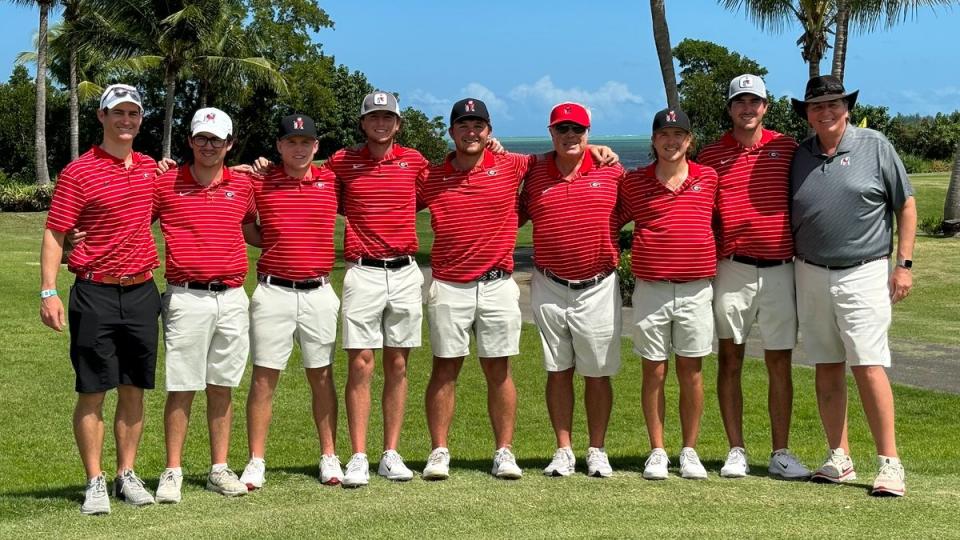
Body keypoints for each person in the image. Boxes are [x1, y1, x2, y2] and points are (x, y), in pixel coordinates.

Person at [418, 98, 618, 481]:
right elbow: (393, 203)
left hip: (496, 283)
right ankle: (439, 451)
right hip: (448, 284)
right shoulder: (432, 176)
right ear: (452, 132)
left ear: (489, 131)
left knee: (500, 369)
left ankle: (504, 452)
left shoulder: (513, 165)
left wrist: (592, 149)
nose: (471, 132)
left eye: (478, 125)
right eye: (463, 125)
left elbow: (563, 156)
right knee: (444, 368)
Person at [789, 75, 916, 497]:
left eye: (833, 105)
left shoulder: (874, 144)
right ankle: (839, 457)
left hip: (863, 270)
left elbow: (906, 203)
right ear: (807, 113)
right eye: (817, 106)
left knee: (867, 364)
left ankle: (889, 462)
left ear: (846, 107)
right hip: (809, 270)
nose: (826, 112)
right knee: (826, 365)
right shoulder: (800, 154)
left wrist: (904, 264)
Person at [40, 84, 160, 514]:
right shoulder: (79, 171)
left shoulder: (150, 169)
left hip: (143, 291)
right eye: (118, 113)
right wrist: (49, 290)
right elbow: (56, 233)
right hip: (94, 291)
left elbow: (199, 178)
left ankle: (125, 474)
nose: (126, 121)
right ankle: (94, 481)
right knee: (92, 390)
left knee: (134, 389)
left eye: (133, 113)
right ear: (102, 117)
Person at [696, 74, 810, 480]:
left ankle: (780, 452)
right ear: (729, 108)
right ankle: (736, 449)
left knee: (780, 361)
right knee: (731, 358)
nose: (748, 108)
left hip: (781, 269)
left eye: (755, 102)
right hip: (733, 269)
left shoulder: (788, 148)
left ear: (766, 107)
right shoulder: (711, 156)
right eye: (740, 101)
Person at [150, 108, 256, 502]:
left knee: (221, 386)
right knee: (181, 386)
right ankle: (173, 470)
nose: (208, 146)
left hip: (230, 298)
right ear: (190, 141)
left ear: (229, 144)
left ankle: (218, 468)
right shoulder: (166, 184)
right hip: (185, 297)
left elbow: (255, 230)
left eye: (216, 140)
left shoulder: (244, 187)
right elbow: (132, 221)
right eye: (201, 138)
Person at [324, 92, 429, 487]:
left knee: (398, 364)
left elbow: (447, 180)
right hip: (362, 272)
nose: (381, 124)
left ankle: (390, 452)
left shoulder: (415, 161)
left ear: (398, 124)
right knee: (360, 362)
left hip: (404, 272)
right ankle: (358, 455)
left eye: (388, 117)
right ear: (363, 123)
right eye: (373, 117)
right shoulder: (342, 162)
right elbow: (303, 171)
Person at [238, 115, 343, 490]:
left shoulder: (331, 179)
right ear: (279, 146)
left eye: (306, 142)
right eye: (291, 142)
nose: (299, 148)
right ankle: (256, 461)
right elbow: (248, 223)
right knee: (264, 376)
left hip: (319, 292)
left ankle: (329, 455)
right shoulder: (261, 180)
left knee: (322, 375)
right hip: (273, 292)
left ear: (316, 147)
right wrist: (252, 165)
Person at [519, 102, 624, 478]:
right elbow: (511, 212)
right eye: (562, 129)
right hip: (549, 283)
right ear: (551, 133)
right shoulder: (534, 174)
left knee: (597, 373)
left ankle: (596, 449)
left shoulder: (611, 171)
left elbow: (635, 210)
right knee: (558, 369)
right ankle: (563, 449)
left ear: (588, 133)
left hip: (597, 284)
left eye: (577, 130)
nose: (570, 136)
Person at [618, 108, 719, 481]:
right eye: (664, 135)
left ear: (689, 141)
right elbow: (612, 220)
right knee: (654, 372)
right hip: (651, 290)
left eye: (679, 135)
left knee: (692, 371)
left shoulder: (708, 178)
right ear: (653, 140)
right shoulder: (635, 183)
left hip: (696, 289)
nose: (671, 141)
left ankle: (689, 451)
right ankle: (658, 450)